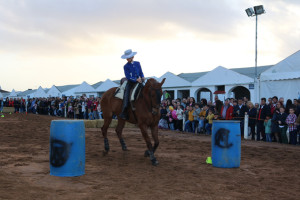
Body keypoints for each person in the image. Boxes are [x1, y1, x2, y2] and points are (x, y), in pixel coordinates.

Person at [119, 49, 145, 120]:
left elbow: (140, 72)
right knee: (127, 95)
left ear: (132, 57)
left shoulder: (137, 63)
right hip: (130, 82)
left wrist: (142, 76)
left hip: (139, 81)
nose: (127, 59)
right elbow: (128, 76)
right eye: (127, 58)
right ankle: (124, 111)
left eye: (129, 57)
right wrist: (136, 79)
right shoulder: (125, 66)